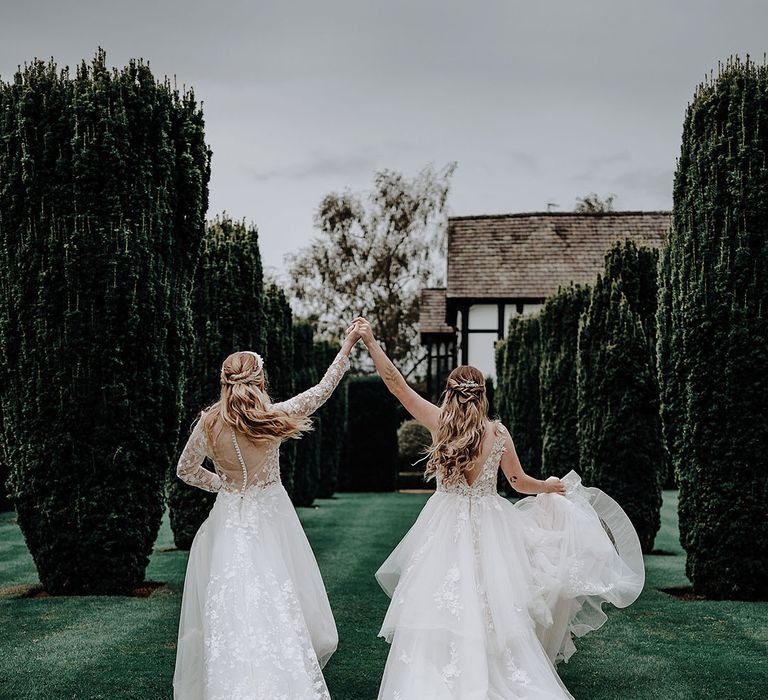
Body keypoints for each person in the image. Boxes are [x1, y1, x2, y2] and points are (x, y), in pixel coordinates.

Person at [352, 317, 645, 700]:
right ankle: (496, 671)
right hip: (492, 523)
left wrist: (371, 342)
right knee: (495, 601)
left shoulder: (439, 423)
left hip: (445, 522)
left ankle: (439, 677)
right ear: (482, 393)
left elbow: (397, 385)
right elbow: (519, 483)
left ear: (449, 393)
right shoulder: (498, 432)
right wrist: (550, 488)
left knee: (442, 599)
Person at [172, 324, 360, 700]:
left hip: (229, 517)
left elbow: (185, 470)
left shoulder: (208, 424)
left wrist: (223, 485)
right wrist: (348, 346)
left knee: (231, 599)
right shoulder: (272, 416)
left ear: (224, 382)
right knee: (278, 591)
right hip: (271, 515)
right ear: (259, 380)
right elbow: (322, 390)